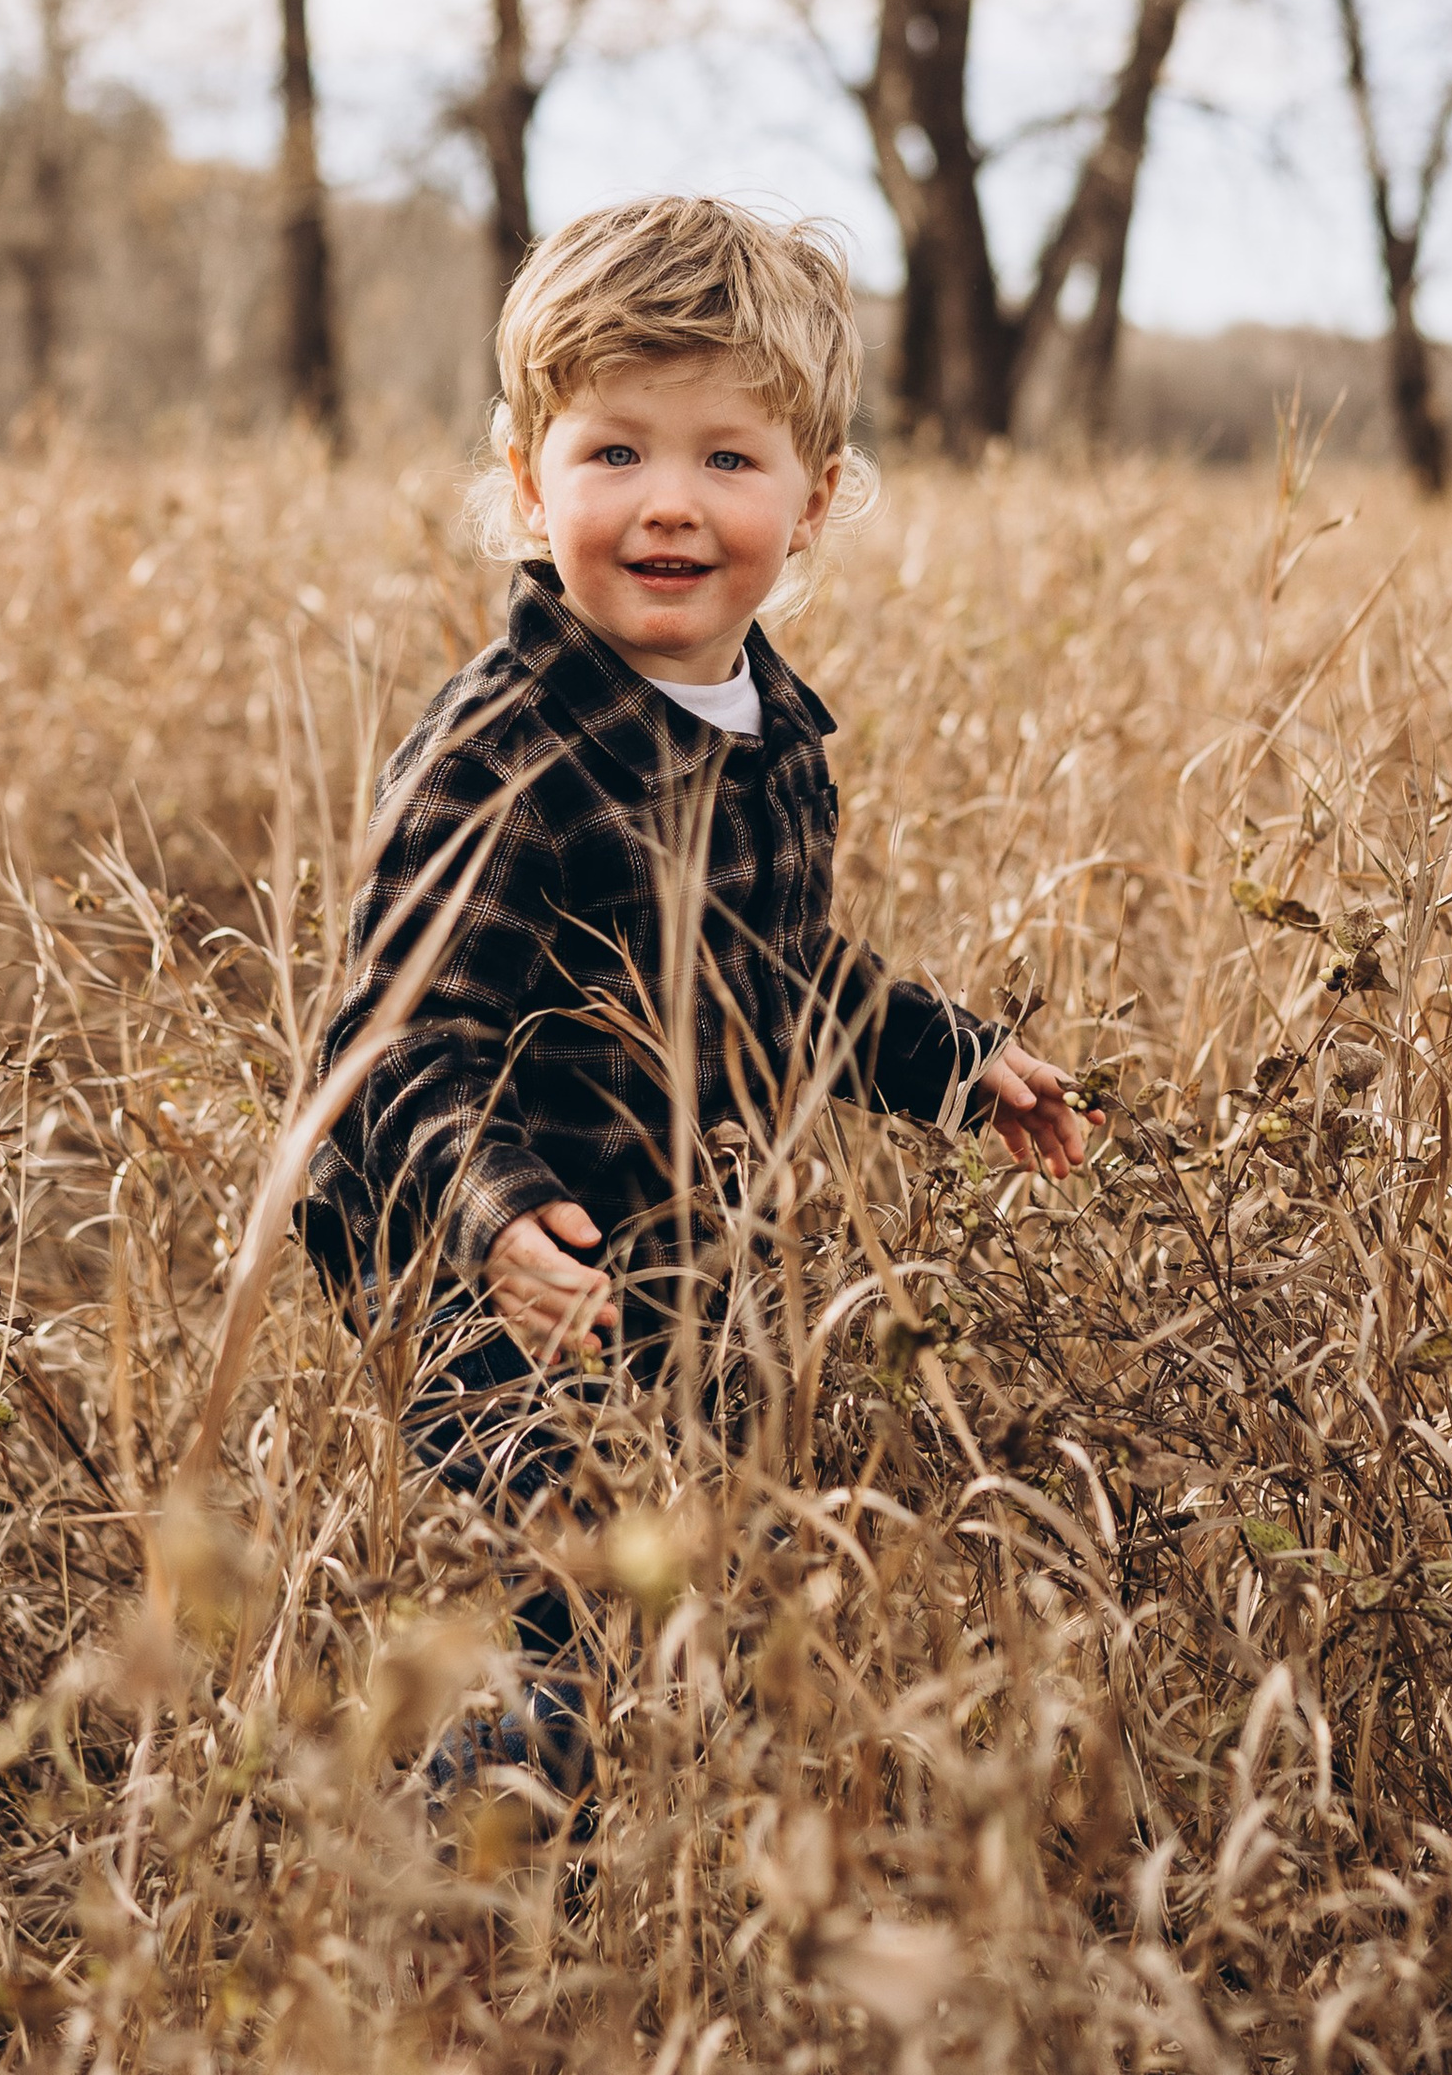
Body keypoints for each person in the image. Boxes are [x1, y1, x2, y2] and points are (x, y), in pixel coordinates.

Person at [301, 193, 1093, 1779]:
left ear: (812, 504)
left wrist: (951, 1056)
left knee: (691, 1595)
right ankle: (466, 1890)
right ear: (529, 484)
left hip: (669, 1253)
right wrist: (495, 1218)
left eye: (728, 457)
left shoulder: (764, 727)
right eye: (615, 454)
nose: (670, 504)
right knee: (565, 1624)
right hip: (499, 1272)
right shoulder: (504, 744)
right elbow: (393, 1036)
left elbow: (775, 979)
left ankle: (629, 1870)